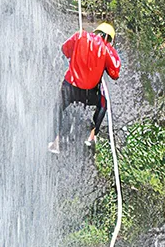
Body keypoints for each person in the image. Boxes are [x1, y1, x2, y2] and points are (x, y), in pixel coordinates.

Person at [50, 22, 120, 154]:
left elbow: (65, 50)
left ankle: (56, 139)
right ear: (109, 39)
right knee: (103, 104)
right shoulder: (106, 48)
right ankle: (91, 136)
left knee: (58, 107)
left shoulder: (80, 36)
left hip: (70, 86)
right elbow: (115, 73)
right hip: (88, 92)